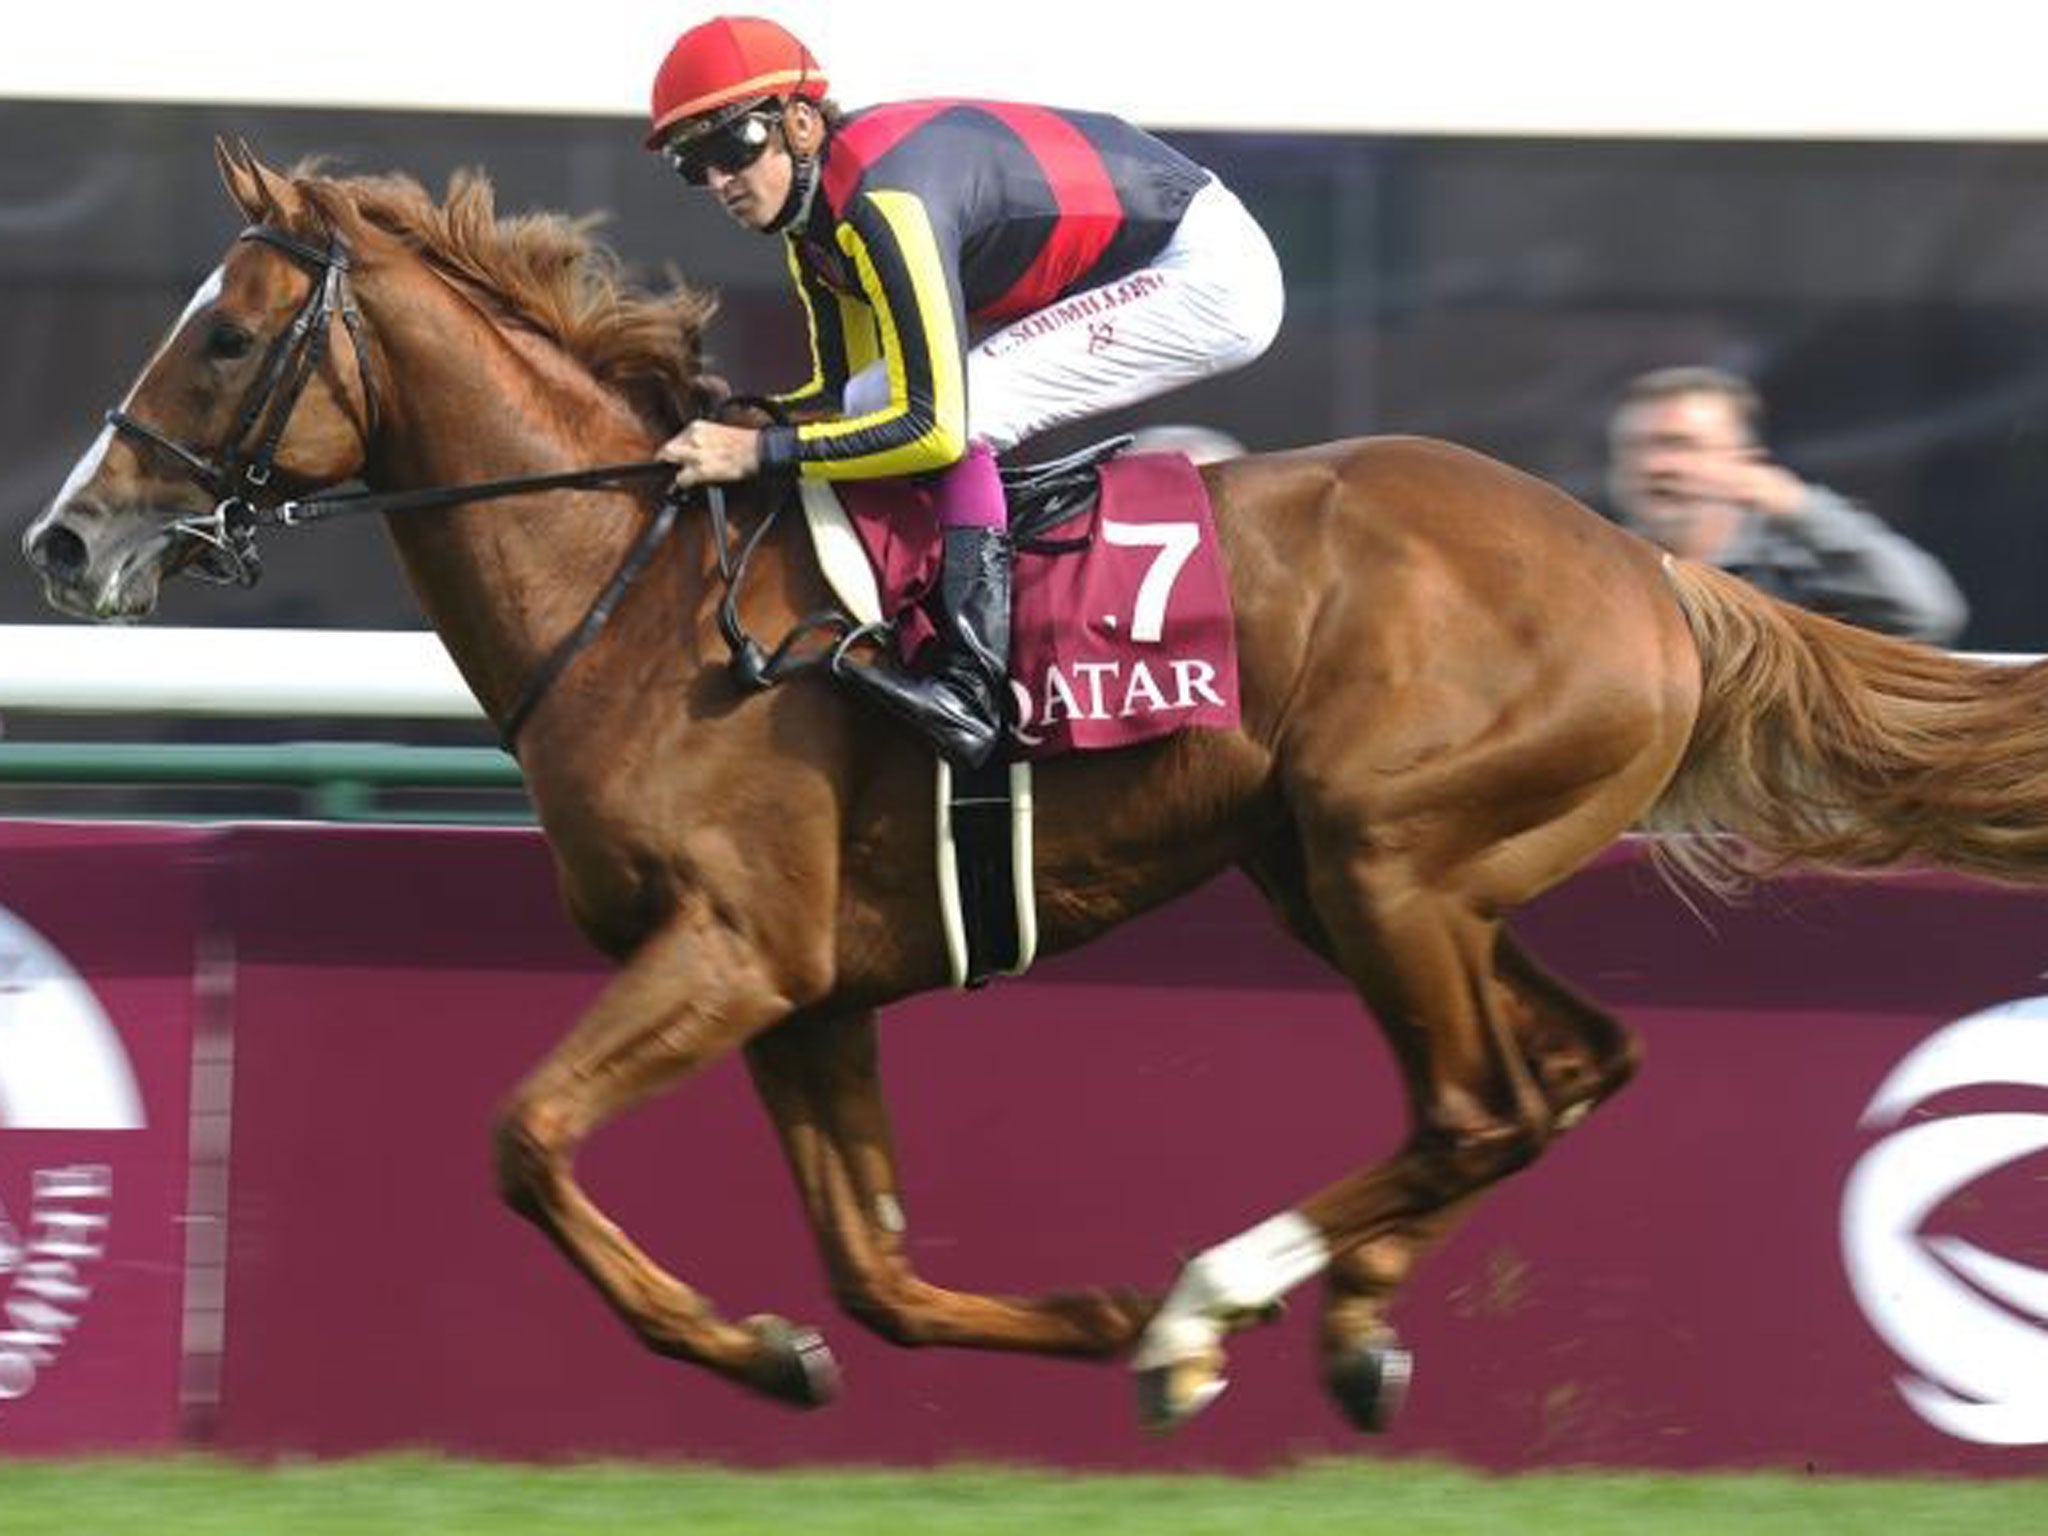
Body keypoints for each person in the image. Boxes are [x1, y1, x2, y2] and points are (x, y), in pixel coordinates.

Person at [645, 15, 1286, 767]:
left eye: (733, 147)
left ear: (799, 122)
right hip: (1134, 257)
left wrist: (758, 453)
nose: (719, 180)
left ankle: (970, 685)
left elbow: (933, 426)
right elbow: (842, 396)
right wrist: (745, 423)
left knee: (969, 407)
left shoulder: (882, 203)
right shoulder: (812, 235)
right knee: (867, 403)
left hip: (1206, 271)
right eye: (695, 164)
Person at [1606, 366, 1968, 644]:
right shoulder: (1599, 569)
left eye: (1680, 444)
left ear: (1744, 461)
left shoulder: (1800, 568)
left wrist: (1801, 508)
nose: (1655, 466)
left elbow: (1927, 614)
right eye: (1636, 447)